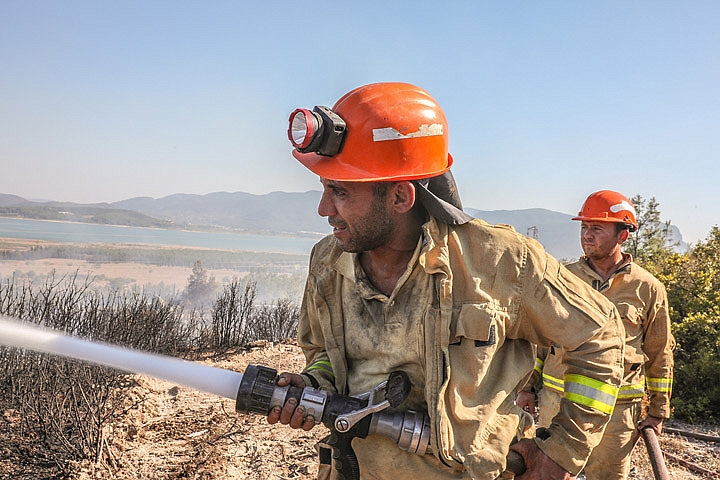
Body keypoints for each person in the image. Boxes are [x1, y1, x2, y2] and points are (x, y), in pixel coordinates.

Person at [268, 82, 625, 480]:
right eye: (325, 188)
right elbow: (321, 350)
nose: (323, 209)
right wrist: (314, 383)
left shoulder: (500, 261)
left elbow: (601, 335)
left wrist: (562, 452)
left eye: (340, 192)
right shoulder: (327, 261)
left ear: (401, 197)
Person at [516, 190, 675, 480]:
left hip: (618, 411)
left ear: (622, 235)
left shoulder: (648, 288)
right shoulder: (562, 279)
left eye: (597, 228)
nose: (587, 235)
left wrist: (657, 411)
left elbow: (659, 351)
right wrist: (526, 387)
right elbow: (539, 341)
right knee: (548, 473)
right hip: (559, 401)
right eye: (584, 227)